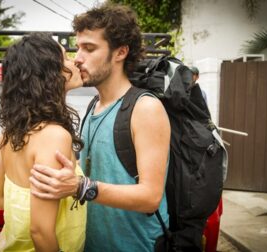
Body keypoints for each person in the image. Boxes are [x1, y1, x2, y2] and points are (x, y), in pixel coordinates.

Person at [29, 3, 171, 252]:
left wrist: (80, 187)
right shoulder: (93, 105)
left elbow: (150, 197)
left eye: (89, 48)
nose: (78, 58)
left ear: (120, 52)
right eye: (78, 48)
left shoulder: (145, 108)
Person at [0, 32, 86, 252]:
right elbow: (40, 231)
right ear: (49, 74)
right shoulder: (54, 136)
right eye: (65, 58)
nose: (75, 61)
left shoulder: (9, 133)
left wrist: (39, 208)